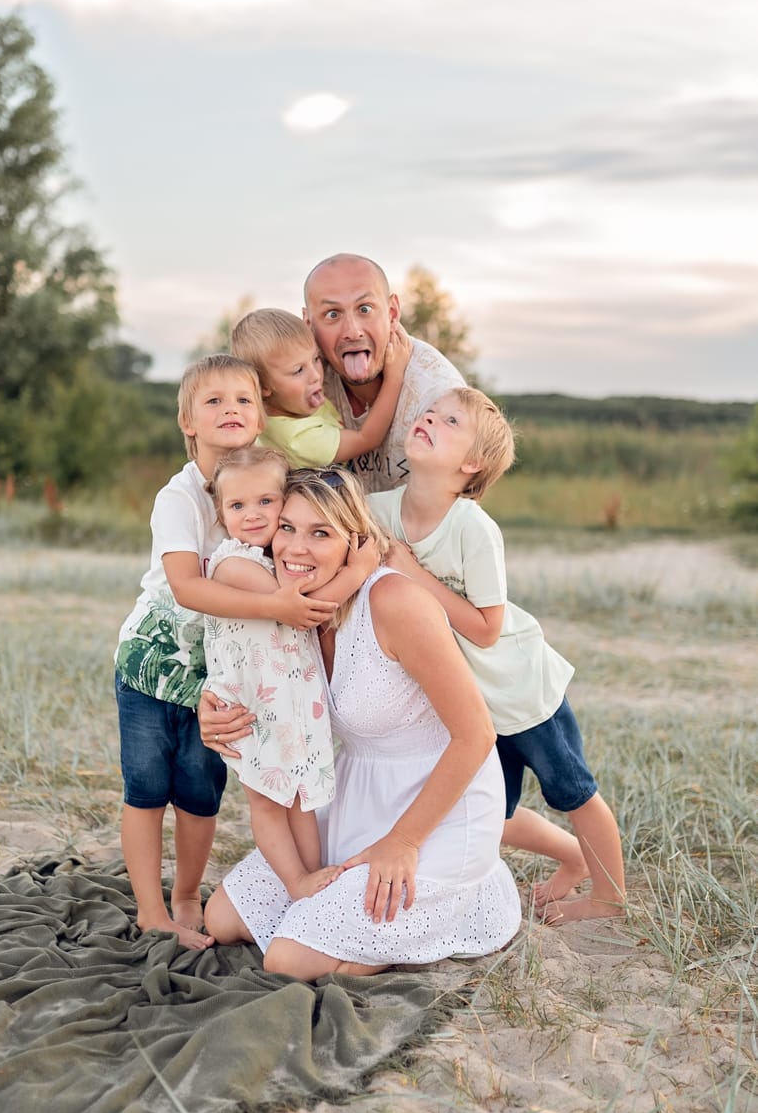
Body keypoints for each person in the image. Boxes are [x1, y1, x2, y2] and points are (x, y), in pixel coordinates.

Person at [201, 468, 522, 980]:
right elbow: (244, 669)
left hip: (435, 811)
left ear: (355, 541)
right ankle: (359, 924)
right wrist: (211, 709)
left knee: (287, 960)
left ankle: (466, 892)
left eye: (320, 533)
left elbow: (478, 734)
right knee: (222, 918)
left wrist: (405, 842)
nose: (294, 548)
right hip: (354, 798)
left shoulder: (394, 603)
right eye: (286, 528)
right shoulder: (291, 609)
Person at [372, 386, 626, 924]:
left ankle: (609, 897)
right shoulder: (380, 511)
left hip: (518, 688)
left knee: (574, 791)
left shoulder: (473, 529)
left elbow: (488, 629)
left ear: (471, 463)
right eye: (429, 413)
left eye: (450, 421)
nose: (430, 420)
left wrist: (413, 575)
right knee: (491, 813)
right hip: (471, 705)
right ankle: (572, 858)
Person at [114, 354, 339, 951]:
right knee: (146, 787)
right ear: (187, 421)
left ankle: (187, 896)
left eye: (242, 399)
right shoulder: (181, 496)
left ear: (262, 414)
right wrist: (279, 607)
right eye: (212, 402)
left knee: (199, 791)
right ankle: (150, 910)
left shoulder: (273, 484)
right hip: (154, 666)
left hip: (224, 679)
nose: (230, 410)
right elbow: (188, 587)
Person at [203, 445, 377, 901]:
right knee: (266, 798)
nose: (254, 514)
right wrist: (358, 570)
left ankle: (312, 876)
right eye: (238, 505)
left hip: (291, 702)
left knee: (301, 795)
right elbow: (301, 611)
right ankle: (296, 881)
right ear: (220, 514)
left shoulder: (269, 559)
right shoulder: (233, 564)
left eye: (266, 502)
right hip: (251, 706)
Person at [302, 253, 467, 491]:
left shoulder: (438, 396)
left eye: (365, 309)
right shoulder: (295, 381)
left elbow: (457, 507)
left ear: (392, 312)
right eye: (332, 314)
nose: (353, 331)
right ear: (308, 323)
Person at [230, 307, 412, 468]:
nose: (316, 375)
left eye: (316, 358)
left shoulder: (290, 399)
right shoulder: (298, 439)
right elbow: (367, 439)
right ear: (263, 387)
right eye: (298, 370)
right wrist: (394, 376)